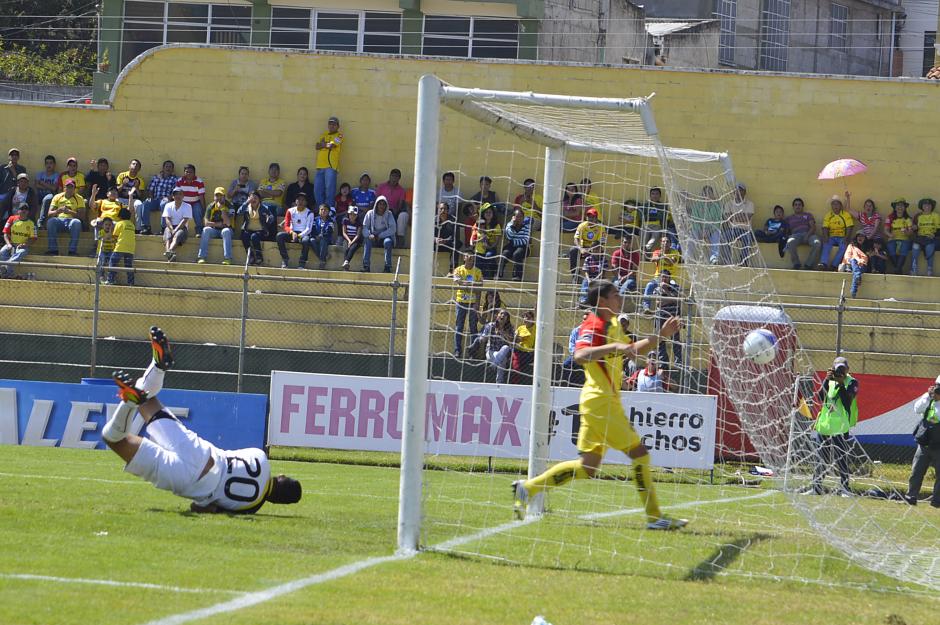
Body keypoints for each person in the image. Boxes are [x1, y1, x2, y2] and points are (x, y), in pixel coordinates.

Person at [512, 280, 686, 530]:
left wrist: (661, 336)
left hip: (603, 401)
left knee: (588, 467)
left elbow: (632, 350)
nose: (620, 298)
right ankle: (655, 517)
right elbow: (580, 355)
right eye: (615, 295)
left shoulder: (614, 324)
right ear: (602, 301)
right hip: (600, 401)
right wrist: (613, 347)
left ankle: (527, 488)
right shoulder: (594, 324)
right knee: (640, 454)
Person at [101, 327, 302, 513]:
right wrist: (199, 504)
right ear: (276, 502)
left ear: (282, 476)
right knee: (115, 440)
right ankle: (129, 402)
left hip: (199, 451)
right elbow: (209, 509)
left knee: (147, 397)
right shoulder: (250, 507)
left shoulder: (260, 457)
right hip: (190, 481)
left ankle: (158, 368)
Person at [809, 356, 858, 496]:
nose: (840, 371)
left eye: (843, 368)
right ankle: (816, 488)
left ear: (848, 369)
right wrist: (826, 380)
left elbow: (847, 401)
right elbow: (819, 397)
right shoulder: (829, 380)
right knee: (821, 458)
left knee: (841, 458)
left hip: (841, 427)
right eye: (838, 368)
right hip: (825, 425)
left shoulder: (852, 382)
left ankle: (844, 489)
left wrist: (841, 383)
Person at [905, 376, 940, 507]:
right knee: (916, 472)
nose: (937, 388)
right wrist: (928, 396)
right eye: (937, 385)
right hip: (925, 443)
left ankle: (937, 501)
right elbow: (917, 409)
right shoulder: (929, 398)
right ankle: (911, 497)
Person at [468, 308, 515, 384]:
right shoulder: (490, 326)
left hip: (502, 353)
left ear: (507, 319)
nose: (503, 315)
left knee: (505, 349)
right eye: (501, 313)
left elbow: (511, 342)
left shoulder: (510, 328)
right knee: (502, 360)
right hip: (491, 352)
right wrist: (485, 336)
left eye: (505, 315)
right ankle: (499, 382)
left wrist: (504, 333)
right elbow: (483, 339)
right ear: (497, 316)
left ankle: (493, 366)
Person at [452, 252, 482, 359]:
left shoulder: (478, 271)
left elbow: (480, 287)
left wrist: (477, 303)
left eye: (472, 257)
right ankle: (457, 351)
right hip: (461, 302)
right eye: (468, 256)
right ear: (464, 258)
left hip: (473, 302)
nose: (470, 258)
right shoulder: (458, 269)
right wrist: (472, 284)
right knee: (459, 327)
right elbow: (457, 281)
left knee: (473, 327)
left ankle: (473, 352)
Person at [45, 178, 85, 256]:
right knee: (51, 221)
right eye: (67, 187)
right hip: (59, 220)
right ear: (64, 188)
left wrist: (70, 212)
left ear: (74, 189)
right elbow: (49, 214)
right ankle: (53, 250)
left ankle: (72, 251)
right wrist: (58, 211)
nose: (69, 189)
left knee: (77, 222)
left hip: (71, 221)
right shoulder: (57, 197)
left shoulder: (79, 198)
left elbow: (82, 216)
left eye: (71, 187)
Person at [642, 237, 681, 313]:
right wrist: (659, 256)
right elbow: (653, 259)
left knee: (676, 288)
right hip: (658, 277)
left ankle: (677, 309)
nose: (665, 243)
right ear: (661, 244)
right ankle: (646, 307)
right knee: (649, 285)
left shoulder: (675, 252)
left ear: (670, 244)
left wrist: (662, 256)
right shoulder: (657, 251)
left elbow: (672, 261)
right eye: (663, 241)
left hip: (671, 278)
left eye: (667, 241)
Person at [276, 192, 315, 269]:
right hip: (292, 232)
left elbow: (308, 229)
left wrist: (299, 236)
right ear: (295, 201)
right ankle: (285, 259)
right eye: (298, 199)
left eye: (303, 200)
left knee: (306, 241)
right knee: (279, 236)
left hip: (303, 234)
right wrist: (292, 232)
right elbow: (286, 225)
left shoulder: (309, 213)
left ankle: (302, 263)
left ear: (306, 202)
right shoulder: (290, 211)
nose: (300, 202)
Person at [197, 187, 234, 265]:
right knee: (206, 230)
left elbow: (228, 223)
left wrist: (222, 209)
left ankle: (228, 258)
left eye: (220, 196)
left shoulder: (230, 206)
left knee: (226, 231)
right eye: (216, 196)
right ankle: (201, 257)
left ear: (224, 196)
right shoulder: (210, 206)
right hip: (214, 230)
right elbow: (206, 223)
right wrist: (219, 224)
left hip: (228, 231)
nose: (218, 198)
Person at [238, 190, 276, 266]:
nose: (253, 200)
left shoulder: (264, 208)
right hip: (248, 230)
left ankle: (259, 258)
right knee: (244, 235)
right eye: (252, 198)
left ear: (259, 200)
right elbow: (239, 212)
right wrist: (246, 202)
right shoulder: (246, 207)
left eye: (256, 198)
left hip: (261, 231)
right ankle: (251, 257)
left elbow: (271, 217)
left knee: (254, 236)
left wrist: (268, 220)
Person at [140, 160, 178, 234]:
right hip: (155, 199)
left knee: (164, 203)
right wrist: (151, 198)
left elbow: (175, 192)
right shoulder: (156, 177)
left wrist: (168, 198)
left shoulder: (174, 179)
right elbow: (150, 189)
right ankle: (146, 227)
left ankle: (164, 229)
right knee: (146, 203)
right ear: (163, 168)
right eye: (166, 166)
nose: (168, 168)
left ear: (172, 169)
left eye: (170, 167)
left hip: (166, 199)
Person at [687, 185, 722, 265]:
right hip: (699, 229)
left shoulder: (717, 206)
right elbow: (694, 221)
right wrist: (702, 231)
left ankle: (714, 258)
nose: (707, 195)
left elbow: (718, 221)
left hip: (712, 230)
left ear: (712, 194)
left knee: (717, 235)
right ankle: (688, 256)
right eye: (705, 193)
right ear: (702, 195)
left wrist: (709, 231)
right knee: (692, 235)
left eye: (709, 193)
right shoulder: (697, 205)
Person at [783, 197, 821, 270]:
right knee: (790, 242)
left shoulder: (808, 215)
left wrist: (807, 236)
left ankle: (809, 264)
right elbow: (786, 231)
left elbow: (813, 227)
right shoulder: (789, 218)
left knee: (817, 243)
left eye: (799, 205)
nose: (798, 206)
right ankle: (796, 263)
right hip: (795, 235)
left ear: (802, 206)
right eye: (796, 205)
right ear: (793, 207)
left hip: (809, 234)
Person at [818, 194, 854, 270]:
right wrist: (826, 237)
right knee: (826, 245)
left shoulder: (845, 214)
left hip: (842, 237)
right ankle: (823, 263)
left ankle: (834, 265)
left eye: (837, 204)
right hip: (831, 237)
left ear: (840, 205)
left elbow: (849, 227)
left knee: (843, 247)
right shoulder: (828, 215)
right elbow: (825, 227)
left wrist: (846, 237)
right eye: (833, 204)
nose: (835, 206)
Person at [0, 203, 36, 278]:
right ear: (18, 211)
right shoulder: (11, 219)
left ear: (28, 211)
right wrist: (9, 244)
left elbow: (33, 238)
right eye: (22, 208)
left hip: (22, 246)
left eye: (26, 209)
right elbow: (5, 234)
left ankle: (5, 269)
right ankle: (9, 274)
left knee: (20, 253)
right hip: (11, 244)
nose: (24, 210)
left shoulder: (31, 223)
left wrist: (25, 244)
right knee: (2, 251)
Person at [568, 207, 606, 280]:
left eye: (592, 217)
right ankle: (575, 277)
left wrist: (591, 249)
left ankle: (597, 277)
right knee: (573, 250)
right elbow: (576, 239)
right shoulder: (582, 225)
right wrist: (581, 248)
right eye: (588, 217)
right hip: (583, 247)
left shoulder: (601, 228)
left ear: (596, 218)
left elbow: (601, 242)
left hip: (595, 248)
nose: (590, 219)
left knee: (601, 253)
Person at [314, 116, 343, 208]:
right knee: (317, 190)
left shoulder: (339, 135)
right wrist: (324, 144)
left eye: (334, 124)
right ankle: (321, 210)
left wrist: (324, 144)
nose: (332, 125)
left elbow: (332, 145)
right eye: (330, 123)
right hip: (320, 166)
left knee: (329, 190)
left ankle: (329, 211)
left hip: (331, 167)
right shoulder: (324, 134)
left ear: (338, 126)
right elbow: (317, 146)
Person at [362, 196, 396, 273]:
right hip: (372, 237)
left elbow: (393, 229)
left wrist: (380, 235)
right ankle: (366, 266)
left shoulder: (389, 214)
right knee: (367, 240)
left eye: (384, 204)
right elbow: (364, 228)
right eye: (380, 204)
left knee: (388, 242)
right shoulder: (370, 213)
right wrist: (369, 235)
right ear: (376, 204)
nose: (382, 206)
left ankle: (387, 267)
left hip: (384, 237)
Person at [724, 182, 755, 265]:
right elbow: (728, 218)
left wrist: (734, 216)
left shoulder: (750, 204)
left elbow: (747, 218)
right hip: (732, 229)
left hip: (746, 230)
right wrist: (741, 216)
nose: (737, 192)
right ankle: (727, 260)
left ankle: (744, 261)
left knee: (748, 238)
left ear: (744, 192)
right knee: (725, 236)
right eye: (736, 190)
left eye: (740, 190)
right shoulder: (728, 204)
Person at [376, 168, 408, 245]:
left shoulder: (401, 190)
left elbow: (400, 205)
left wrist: (395, 210)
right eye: (393, 176)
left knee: (403, 215)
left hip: (393, 212)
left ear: (399, 178)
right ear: (389, 176)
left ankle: (399, 241)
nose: (394, 178)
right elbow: (376, 201)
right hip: (380, 211)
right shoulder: (381, 187)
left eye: (396, 177)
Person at [469, 203, 501, 279]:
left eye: (490, 212)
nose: (488, 214)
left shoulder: (496, 225)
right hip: (479, 248)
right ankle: (478, 278)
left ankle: (490, 277)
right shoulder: (478, 224)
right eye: (486, 212)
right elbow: (472, 239)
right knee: (477, 258)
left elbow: (496, 242)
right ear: (483, 214)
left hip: (490, 248)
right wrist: (479, 241)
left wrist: (489, 247)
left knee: (488, 256)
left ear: (493, 214)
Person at [162, 187, 193, 263]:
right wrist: (172, 229)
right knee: (168, 234)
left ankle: (169, 251)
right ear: (173, 196)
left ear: (183, 196)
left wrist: (175, 230)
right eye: (176, 194)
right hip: (171, 226)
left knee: (177, 235)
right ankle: (170, 254)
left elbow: (184, 220)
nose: (178, 196)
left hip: (182, 228)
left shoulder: (188, 206)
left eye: (180, 194)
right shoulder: (168, 205)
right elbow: (167, 219)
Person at [498, 208, 530, 281]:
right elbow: (509, 236)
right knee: (505, 253)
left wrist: (514, 242)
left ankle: (517, 276)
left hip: (523, 247)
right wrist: (513, 226)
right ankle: (499, 274)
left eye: (521, 216)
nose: (519, 218)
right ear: (513, 217)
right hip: (512, 245)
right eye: (517, 216)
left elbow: (525, 240)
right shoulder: (509, 225)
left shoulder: (526, 226)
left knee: (517, 254)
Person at [107, 207, 136, 286]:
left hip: (120, 247)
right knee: (128, 266)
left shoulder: (119, 223)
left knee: (113, 263)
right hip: (130, 249)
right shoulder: (132, 225)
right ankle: (131, 283)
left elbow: (115, 236)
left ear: (120, 216)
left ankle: (110, 280)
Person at [884, 198, 914, 274]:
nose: (900, 207)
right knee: (890, 247)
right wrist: (890, 235)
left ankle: (897, 270)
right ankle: (899, 270)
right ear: (894, 207)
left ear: (905, 207)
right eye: (898, 205)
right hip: (893, 238)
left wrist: (906, 232)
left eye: (902, 205)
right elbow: (885, 230)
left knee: (904, 248)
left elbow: (910, 232)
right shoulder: (890, 217)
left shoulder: (908, 218)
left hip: (904, 239)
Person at [911, 198, 938, 277]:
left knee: (930, 247)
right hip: (920, 238)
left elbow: (939, 229)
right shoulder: (918, 216)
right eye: (925, 204)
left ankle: (929, 270)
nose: (927, 206)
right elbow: (914, 229)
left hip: (931, 238)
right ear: (922, 206)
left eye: (929, 204)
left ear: (932, 206)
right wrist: (914, 228)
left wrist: (935, 235)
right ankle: (913, 269)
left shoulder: (936, 216)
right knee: (915, 246)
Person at [115, 158, 146, 224]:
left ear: (139, 169)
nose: (135, 166)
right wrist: (123, 184)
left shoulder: (140, 179)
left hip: (134, 199)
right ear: (129, 166)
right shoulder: (122, 175)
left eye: (137, 165)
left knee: (139, 204)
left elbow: (140, 196)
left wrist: (136, 187)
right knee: (116, 203)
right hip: (121, 198)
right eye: (133, 164)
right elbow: (117, 190)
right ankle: (116, 225)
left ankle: (138, 228)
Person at [838, 233, 869, 298]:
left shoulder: (867, 247)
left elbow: (866, 258)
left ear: (865, 238)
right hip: (851, 265)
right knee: (853, 261)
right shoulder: (851, 246)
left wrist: (860, 261)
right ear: (856, 238)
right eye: (859, 236)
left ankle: (853, 290)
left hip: (862, 265)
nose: (860, 238)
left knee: (857, 271)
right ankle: (853, 291)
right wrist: (856, 260)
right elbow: (847, 256)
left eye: (862, 236)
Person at [176, 164, 205, 232]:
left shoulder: (199, 181)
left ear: (194, 173)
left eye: (191, 172)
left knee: (198, 210)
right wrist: (177, 206)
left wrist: (203, 209)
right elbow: (177, 195)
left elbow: (201, 197)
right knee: (179, 212)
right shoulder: (179, 181)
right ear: (184, 172)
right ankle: (180, 230)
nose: (188, 173)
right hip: (183, 203)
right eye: (187, 172)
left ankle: (199, 231)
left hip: (195, 202)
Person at [510, 310, 536, 384]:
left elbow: (520, 339)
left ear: (533, 319)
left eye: (528, 317)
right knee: (515, 367)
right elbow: (515, 338)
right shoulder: (520, 328)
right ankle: (515, 384)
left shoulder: (536, 328)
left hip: (529, 353)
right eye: (524, 317)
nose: (525, 319)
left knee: (518, 366)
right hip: (518, 351)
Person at [434, 202, 460, 273]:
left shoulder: (453, 220)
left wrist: (445, 241)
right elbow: (428, 235)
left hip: (448, 244)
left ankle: (452, 271)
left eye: (445, 209)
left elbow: (456, 236)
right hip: (436, 244)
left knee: (456, 244)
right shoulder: (433, 220)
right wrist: (435, 239)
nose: (442, 210)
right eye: (440, 209)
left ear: (448, 210)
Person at [311, 203, 334, 270]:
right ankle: (325, 256)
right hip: (316, 237)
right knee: (311, 240)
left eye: (325, 210)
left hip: (326, 238)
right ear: (319, 211)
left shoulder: (330, 221)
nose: (323, 211)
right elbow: (313, 230)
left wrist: (321, 236)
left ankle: (322, 261)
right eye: (322, 209)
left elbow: (329, 232)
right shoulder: (315, 219)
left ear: (328, 212)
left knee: (323, 241)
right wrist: (316, 236)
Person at [340, 206, 363, 271]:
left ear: (357, 215)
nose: (352, 216)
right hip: (347, 238)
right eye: (351, 214)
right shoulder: (345, 220)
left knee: (352, 248)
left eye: (354, 214)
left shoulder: (359, 223)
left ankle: (346, 261)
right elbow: (344, 233)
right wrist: (349, 241)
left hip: (356, 240)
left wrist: (352, 242)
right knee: (346, 248)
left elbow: (358, 235)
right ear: (348, 214)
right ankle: (346, 265)